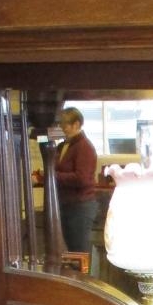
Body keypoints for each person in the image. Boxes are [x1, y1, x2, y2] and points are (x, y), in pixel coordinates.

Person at [51, 107, 99, 252]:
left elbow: (82, 178)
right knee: (70, 251)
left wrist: (54, 176)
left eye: (64, 125)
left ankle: (81, 275)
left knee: (79, 251)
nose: (62, 128)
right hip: (66, 205)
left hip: (80, 207)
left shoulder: (84, 147)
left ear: (76, 124)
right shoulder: (62, 146)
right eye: (60, 125)